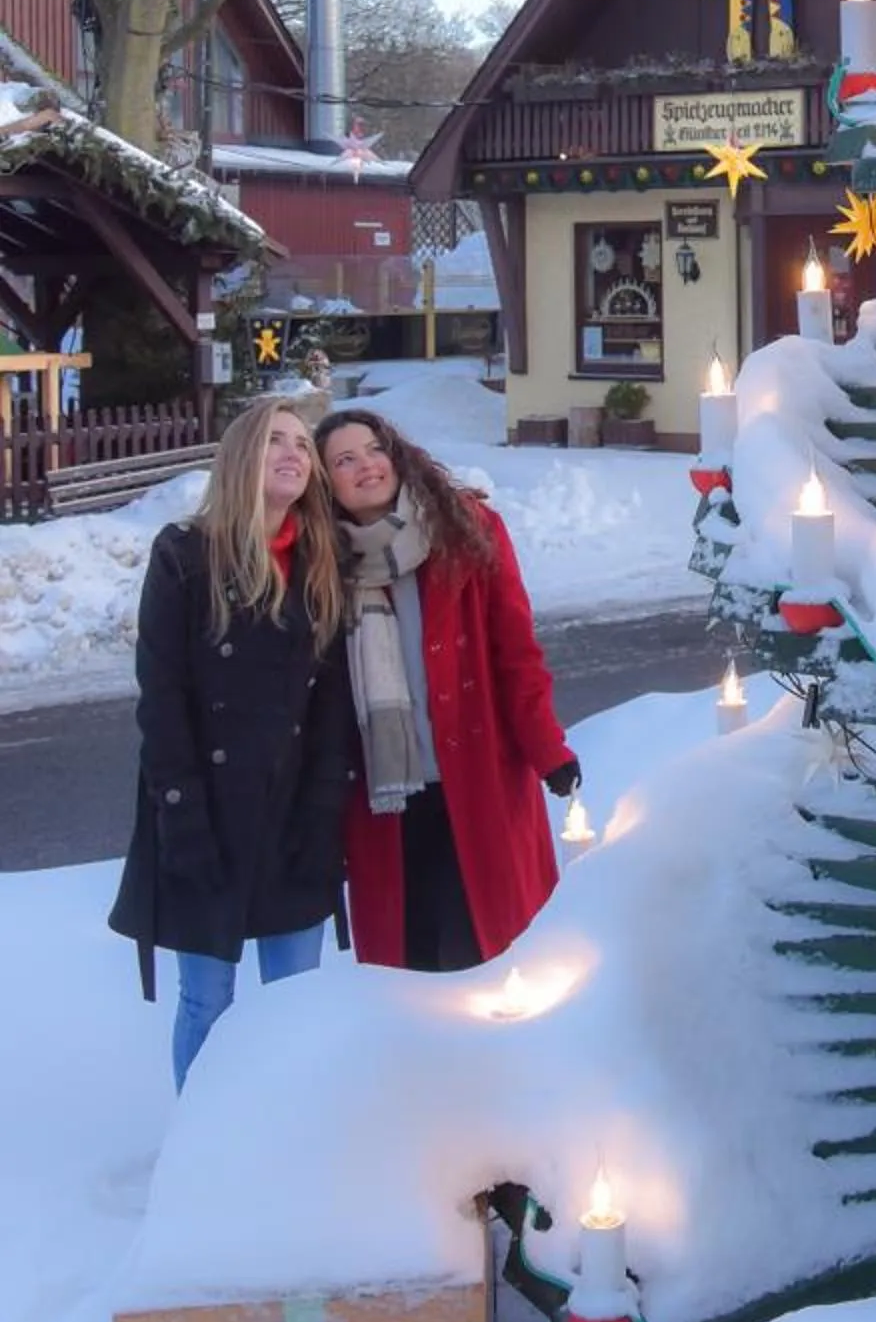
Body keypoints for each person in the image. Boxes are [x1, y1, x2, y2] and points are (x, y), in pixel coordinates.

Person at [110, 398, 354, 1089]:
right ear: (243, 454)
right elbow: (162, 700)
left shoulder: (320, 562)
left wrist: (321, 814)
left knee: (294, 999)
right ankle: (202, 1136)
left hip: (291, 813)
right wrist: (183, 819)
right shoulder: (185, 555)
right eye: (276, 440)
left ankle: (281, 1132)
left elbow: (332, 708)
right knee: (206, 999)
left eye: (302, 445)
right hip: (205, 813)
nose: (294, 454)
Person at [316, 409, 579, 971]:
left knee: (494, 959)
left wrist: (547, 749)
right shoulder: (321, 566)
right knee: (410, 969)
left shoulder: (467, 530)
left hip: (478, 783)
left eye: (374, 449)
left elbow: (517, 654)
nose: (366, 466)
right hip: (384, 801)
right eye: (344, 460)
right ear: (326, 482)